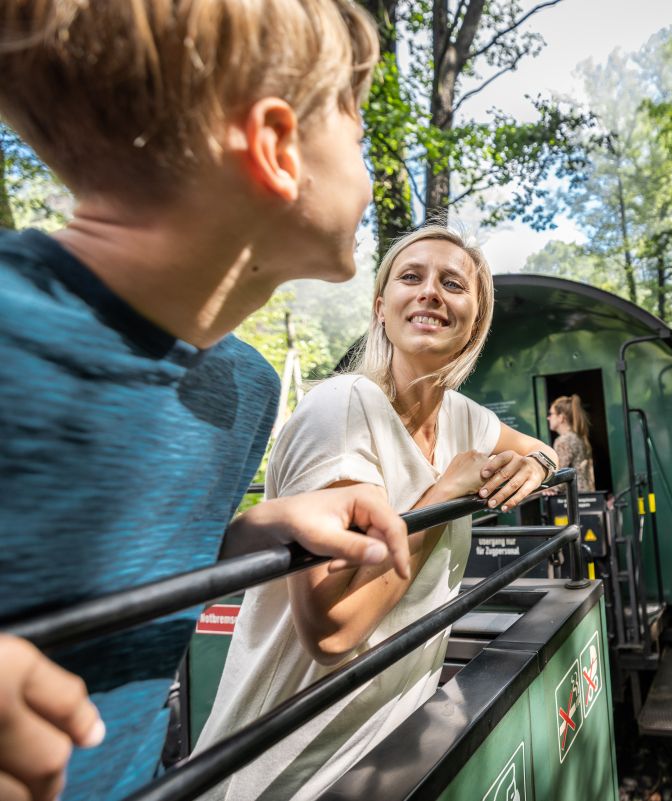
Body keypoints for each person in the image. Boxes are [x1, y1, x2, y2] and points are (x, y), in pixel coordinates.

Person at [0, 3, 415, 800]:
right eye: (359, 135)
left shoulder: (243, 390)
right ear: (275, 148)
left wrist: (253, 531)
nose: (370, 172)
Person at [195, 226, 558, 801]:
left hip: (388, 737)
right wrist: (442, 495)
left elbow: (541, 446)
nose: (430, 292)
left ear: (475, 320)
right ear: (380, 308)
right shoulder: (343, 408)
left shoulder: (465, 418)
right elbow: (334, 631)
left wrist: (537, 464)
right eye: (410, 278)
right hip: (290, 767)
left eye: (452, 284)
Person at [548, 395, 597, 492]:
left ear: (561, 417)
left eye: (551, 414)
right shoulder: (578, 437)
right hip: (586, 496)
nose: (548, 417)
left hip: (573, 498)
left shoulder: (563, 441)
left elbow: (560, 477)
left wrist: (548, 489)